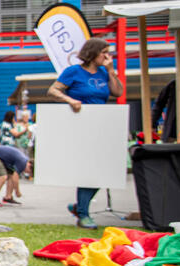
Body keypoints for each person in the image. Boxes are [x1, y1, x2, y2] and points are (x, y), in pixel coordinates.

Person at [47, 37, 124, 229]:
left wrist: (112, 71)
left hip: (100, 127)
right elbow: (53, 90)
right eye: (104, 52)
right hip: (81, 127)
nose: (108, 56)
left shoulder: (104, 73)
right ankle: (83, 214)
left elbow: (118, 93)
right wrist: (69, 100)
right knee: (89, 171)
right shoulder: (74, 72)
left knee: (104, 170)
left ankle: (80, 206)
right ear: (93, 53)